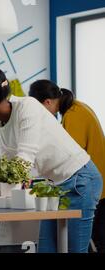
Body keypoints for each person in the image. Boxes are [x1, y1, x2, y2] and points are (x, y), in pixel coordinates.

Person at [0, 69, 102, 253]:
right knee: (46, 249)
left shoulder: (27, 107)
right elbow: (6, 168)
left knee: (74, 250)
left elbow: (24, 161)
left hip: (80, 180)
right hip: (54, 188)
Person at [29, 80, 105, 253]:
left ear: (47, 102)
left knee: (83, 245)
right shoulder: (76, 108)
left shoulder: (73, 115)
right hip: (90, 182)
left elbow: (68, 159)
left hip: (86, 184)